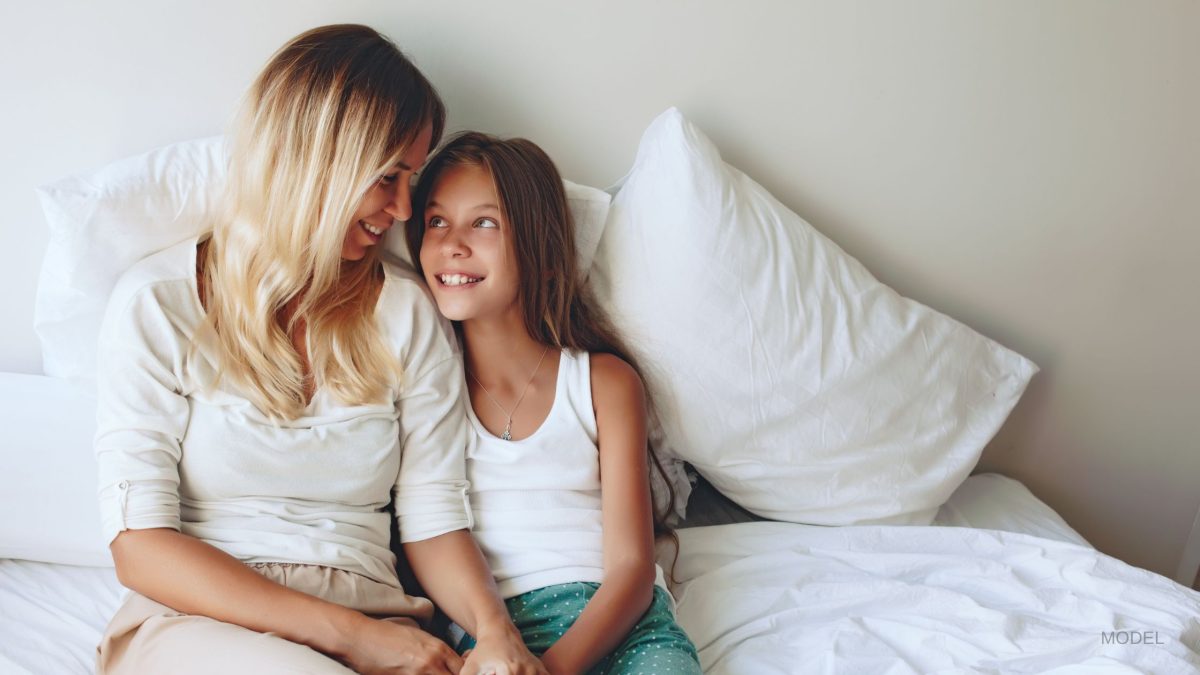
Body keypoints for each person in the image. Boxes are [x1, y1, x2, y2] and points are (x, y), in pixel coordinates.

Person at [93, 25, 546, 675]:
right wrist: (348, 637)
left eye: (412, 178)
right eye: (388, 176)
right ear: (314, 159)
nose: (403, 208)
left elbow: (434, 518)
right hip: (198, 620)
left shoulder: (408, 312)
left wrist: (496, 632)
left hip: (382, 619)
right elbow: (140, 546)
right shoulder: (159, 305)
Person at [407, 132, 703, 675]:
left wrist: (554, 670)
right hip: (493, 631)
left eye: (486, 223)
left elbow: (633, 567)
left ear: (540, 250)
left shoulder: (603, 382)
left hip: (619, 622)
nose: (453, 242)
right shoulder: (423, 392)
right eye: (436, 221)